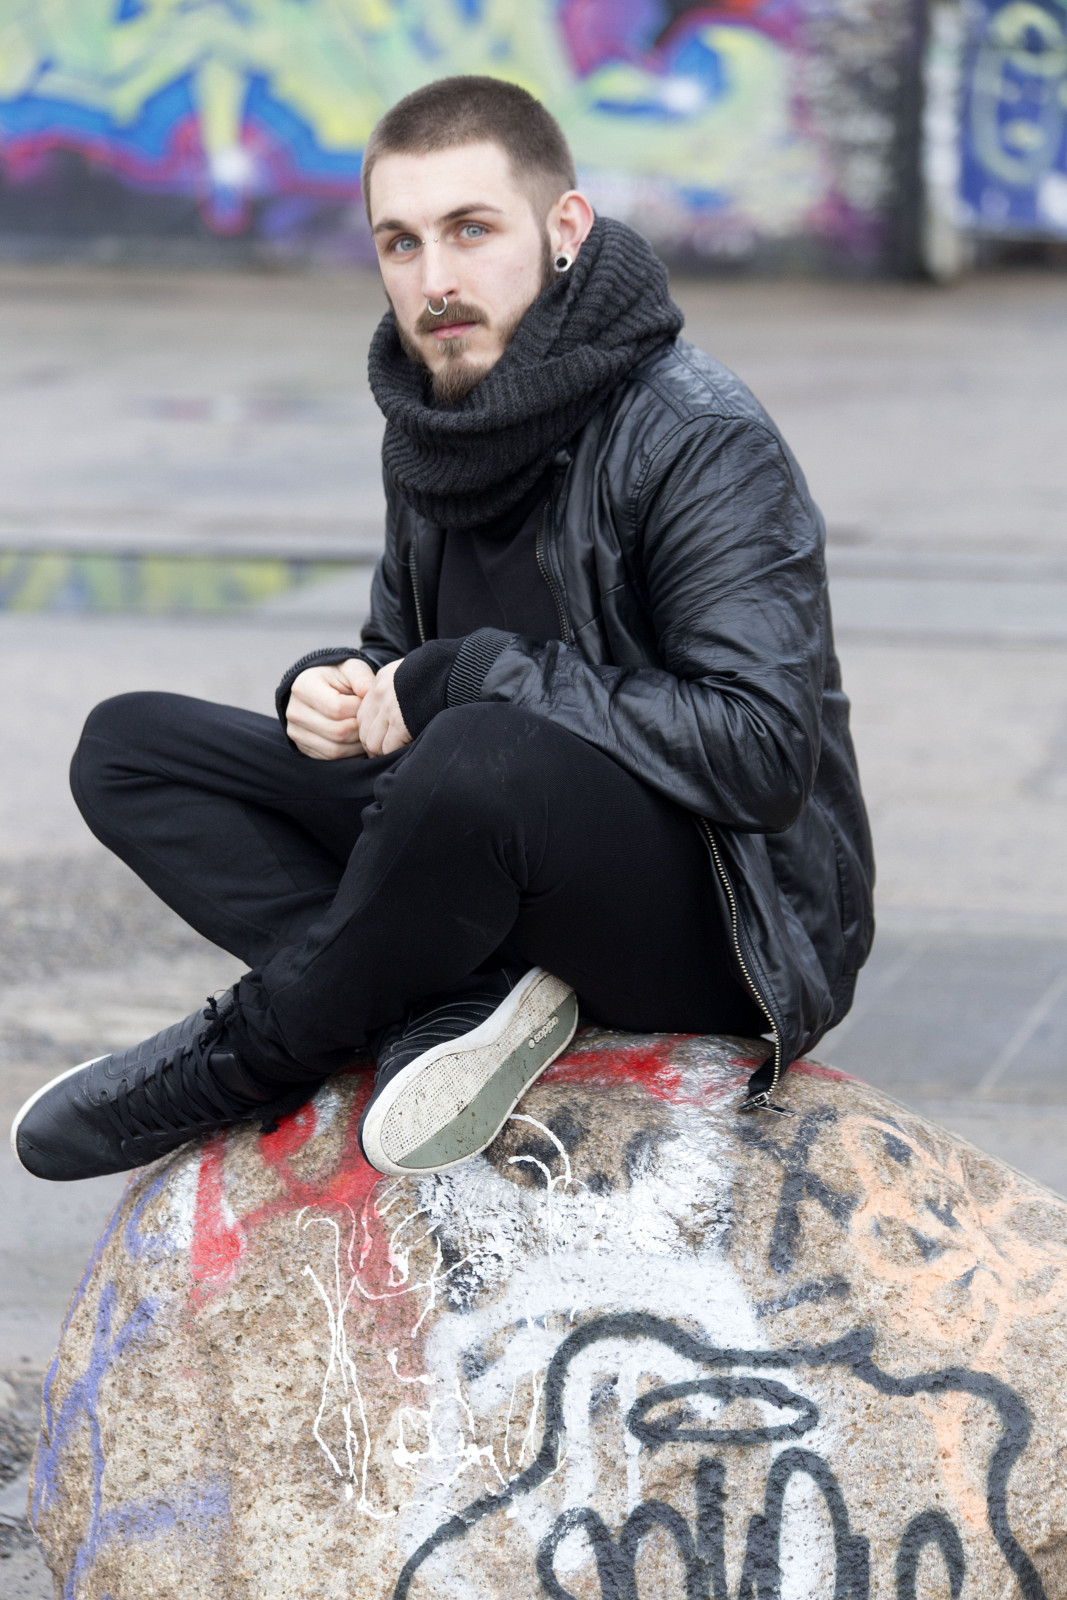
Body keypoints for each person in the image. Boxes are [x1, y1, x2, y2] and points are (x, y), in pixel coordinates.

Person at [11, 75, 874, 1187]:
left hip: (718, 919)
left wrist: (473, 679)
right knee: (130, 747)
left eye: (471, 230)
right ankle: (453, 997)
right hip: (479, 831)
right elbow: (401, 654)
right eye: (401, 243)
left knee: (474, 753)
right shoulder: (436, 421)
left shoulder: (698, 438)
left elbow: (760, 753)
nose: (436, 281)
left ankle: (261, 1047)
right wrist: (333, 686)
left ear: (564, 229)